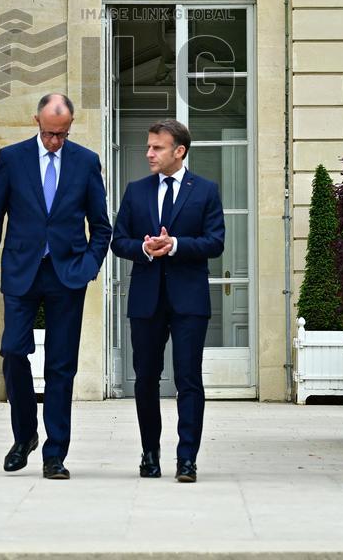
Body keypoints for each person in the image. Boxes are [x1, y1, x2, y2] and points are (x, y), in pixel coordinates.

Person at [0, 92, 111, 480]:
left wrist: (88, 266)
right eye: (51, 133)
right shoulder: (12, 159)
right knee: (13, 352)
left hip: (67, 275)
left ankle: (55, 454)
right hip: (21, 271)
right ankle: (25, 436)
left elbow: (101, 226)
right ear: (37, 121)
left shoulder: (86, 162)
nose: (56, 141)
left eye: (63, 135)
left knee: (61, 366)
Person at [112, 119, 224, 483]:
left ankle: (187, 458)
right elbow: (118, 241)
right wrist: (144, 247)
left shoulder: (205, 190)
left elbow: (215, 242)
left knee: (188, 379)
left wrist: (174, 245)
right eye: (148, 146)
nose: (148, 153)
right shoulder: (136, 190)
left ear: (180, 151)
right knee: (146, 378)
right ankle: (150, 454)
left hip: (189, 300)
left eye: (157, 147)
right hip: (146, 300)